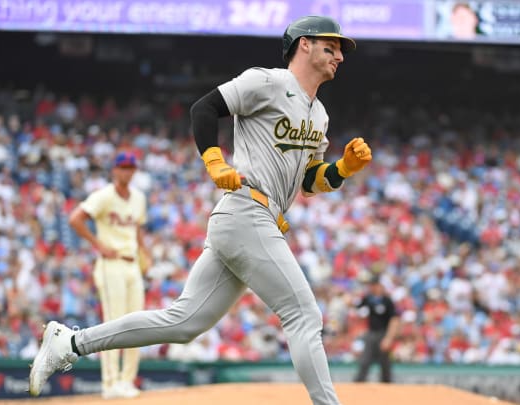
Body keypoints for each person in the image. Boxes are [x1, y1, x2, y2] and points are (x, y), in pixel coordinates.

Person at [28, 15, 371, 405]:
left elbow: (310, 181)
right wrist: (214, 161)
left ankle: (70, 342)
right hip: (247, 211)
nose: (340, 55)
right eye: (332, 46)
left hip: (251, 219)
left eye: (341, 49)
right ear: (304, 44)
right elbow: (203, 109)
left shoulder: (319, 114)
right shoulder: (268, 81)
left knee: (185, 322)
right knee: (304, 315)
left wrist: (342, 169)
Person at [67, 151, 150, 399]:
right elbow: (76, 219)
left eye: (130, 167)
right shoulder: (103, 196)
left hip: (132, 263)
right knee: (114, 324)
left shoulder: (138, 197)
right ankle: (110, 383)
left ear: (134, 171)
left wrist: (144, 251)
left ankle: (127, 381)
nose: (126, 171)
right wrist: (98, 245)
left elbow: (136, 227)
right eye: (122, 167)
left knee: (139, 322)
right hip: (110, 263)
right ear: (114, 170)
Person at [353, 274, 400, 383]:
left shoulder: (387, 301)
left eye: (375, 285)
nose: (372, 287)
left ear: (380, 286)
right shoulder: (368, 299)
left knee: (385, 364)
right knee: (365, 361)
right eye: (371, 285)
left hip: (383, 334)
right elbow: (356, 307)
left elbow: (394, 320)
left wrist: (388, 338)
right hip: (371, 334)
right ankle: (357, 387)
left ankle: (387, 388)